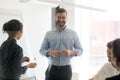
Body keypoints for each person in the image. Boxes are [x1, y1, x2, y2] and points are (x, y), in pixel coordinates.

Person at [40, 8, 83, 80]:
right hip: (52, 69)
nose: (61, 20)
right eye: (59, 17)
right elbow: (41, 50)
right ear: (55, 18)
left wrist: (71, 52)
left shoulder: (73, 34)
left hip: (66, 70)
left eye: (63, 17)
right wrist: (51, 52)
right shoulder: (49, 34)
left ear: (67, 18)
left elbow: (81, 50)